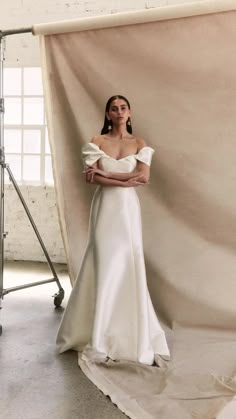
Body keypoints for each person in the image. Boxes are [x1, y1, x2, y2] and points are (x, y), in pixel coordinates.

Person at [56, 95, 170, 366]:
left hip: (127, 211)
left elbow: (144, 177)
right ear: (107, 114)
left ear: (129, 112)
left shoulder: (139, 143)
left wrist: (106, 177)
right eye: (114, 108)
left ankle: (126, 331)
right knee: (104, 262)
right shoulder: (97, 141)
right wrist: (126, 178)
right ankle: (97, 334)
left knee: (127, 263)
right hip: (105, 208)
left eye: (123, 108)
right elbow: (91, 177)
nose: (119, 112)